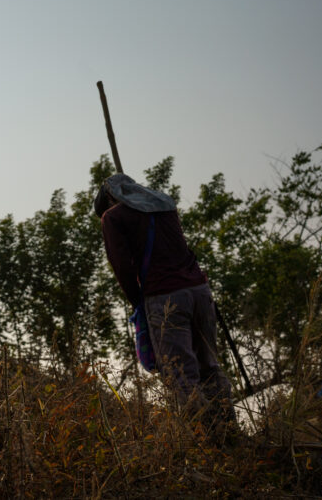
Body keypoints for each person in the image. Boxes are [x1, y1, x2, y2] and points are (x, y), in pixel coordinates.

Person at [94, 174, 236, 439]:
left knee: (180, 374)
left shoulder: (112, 218)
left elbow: (123, 267)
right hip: (200, 293)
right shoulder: (164, 206)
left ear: (110, 200)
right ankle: (231, 432)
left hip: (165, 297)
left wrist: (139, 304)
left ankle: (210, 442)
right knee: (210, 367)